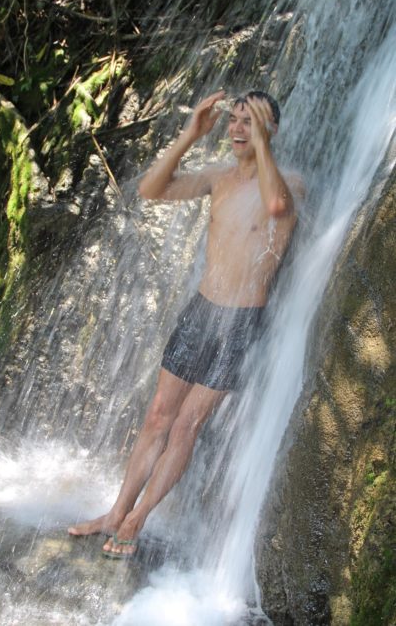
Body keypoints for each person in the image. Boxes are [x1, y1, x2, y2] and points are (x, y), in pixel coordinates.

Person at [68, 89, 305, 557]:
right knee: (158, 415)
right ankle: (115, 512)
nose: (238, 129)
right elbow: (150, 190)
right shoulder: (219, 177)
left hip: (241, 322)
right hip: (202, 311)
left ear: (271, 130)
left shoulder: (290, 182)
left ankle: (137, 520)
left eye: (250, 121)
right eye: (234, 120)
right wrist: (190, 134)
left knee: (186, 425)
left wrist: (261, 147)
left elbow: (277, 207)